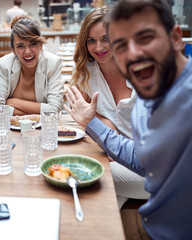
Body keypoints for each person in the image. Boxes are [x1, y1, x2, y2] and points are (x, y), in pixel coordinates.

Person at [64, 0, 191, 239]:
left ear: (175, 38)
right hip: (156, 223)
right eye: (123, 44)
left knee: (93, 177)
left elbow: (144, 163)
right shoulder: (149, 87)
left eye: (146, 38)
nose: (134, 53)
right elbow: (139, 154)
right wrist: (95, 123)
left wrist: (95, 126)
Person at [70, 7, 149, 208]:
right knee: (105, 203)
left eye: (106, 38)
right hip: (115, 158)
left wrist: (102, 127)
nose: (99, 47)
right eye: (91, 40)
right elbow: (84, 114)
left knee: (85, 174)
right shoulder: (86, 73)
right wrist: (104, 123)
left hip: (151, 168)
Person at [0, 16, 65, 116]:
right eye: (20, 46)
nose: (28, 52)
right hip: (12, 128)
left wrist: (14, 102)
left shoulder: (53, 63)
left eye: (33, 44)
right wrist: (38, 112)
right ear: (13, 50)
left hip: (44, 128)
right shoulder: (5, 64)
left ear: (41, 45)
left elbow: (54, 109)